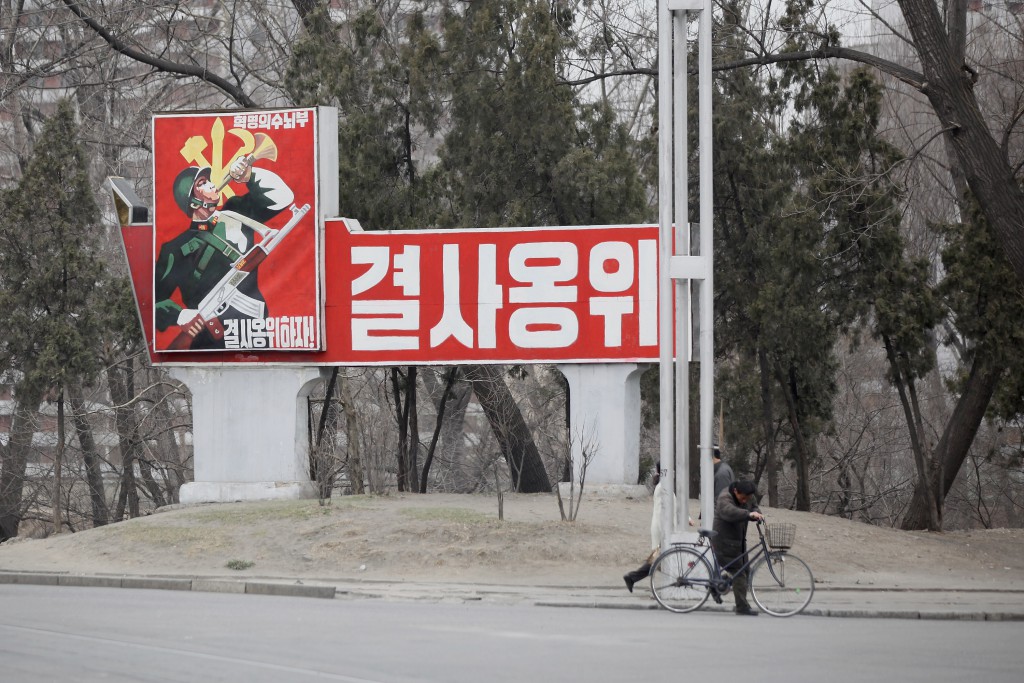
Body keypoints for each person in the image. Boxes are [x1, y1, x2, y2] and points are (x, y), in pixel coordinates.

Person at [154, 156, 294, 349]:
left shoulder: (237, 212)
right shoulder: (175, 249)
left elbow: (283, 197)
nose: (212, 184)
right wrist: (180, 315)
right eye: (202, 183)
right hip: (206, 342)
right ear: (193, 202)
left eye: (209, 180)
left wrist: (249, 175)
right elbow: (153, 300)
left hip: (251, 334)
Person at [712, 479, 764, 615]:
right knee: (739, 573)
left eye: (747, 498)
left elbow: (753, 506)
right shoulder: (724, 497)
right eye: (742, 498)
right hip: (723, 542)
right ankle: (742, 607)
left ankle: (715, 585)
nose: (744, 501)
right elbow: (730, 512)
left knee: (746, 570)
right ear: (736, 491)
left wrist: (756, 513)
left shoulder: (748, 495)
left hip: (738, 542)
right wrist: (748, 514)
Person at [623, 468, 668, 592]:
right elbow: (664, 510)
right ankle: (634, 578)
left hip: (662, 529)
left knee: (657, 561)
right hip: (662, 530)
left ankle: (632, 578)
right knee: (659, 561)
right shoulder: (663, 488)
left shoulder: (662, 487)